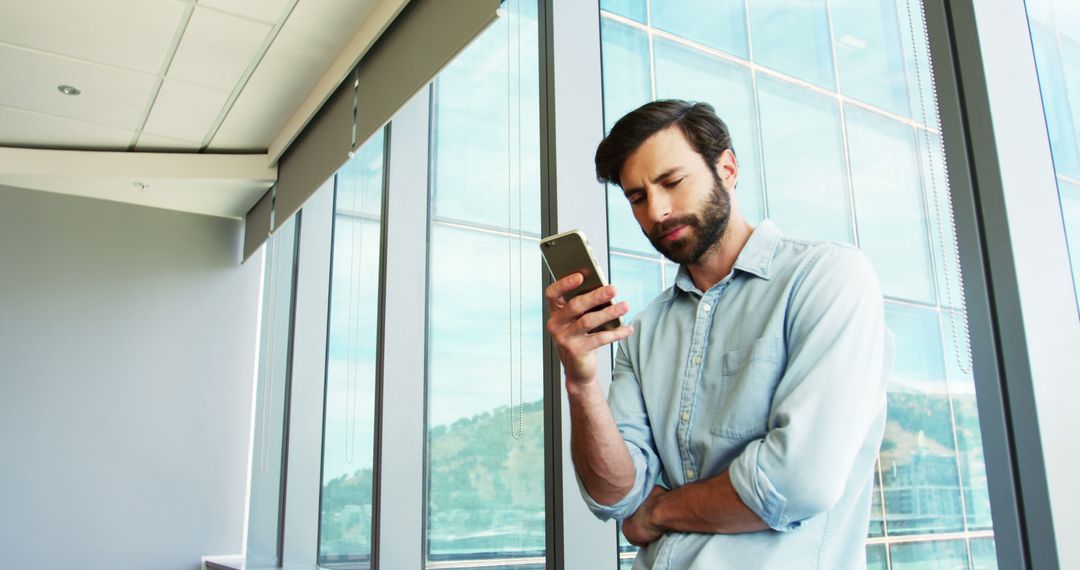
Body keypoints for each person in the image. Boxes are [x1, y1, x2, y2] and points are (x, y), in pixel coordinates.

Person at [544, 100, 894, 569]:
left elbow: (796, 482)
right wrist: (581, 383)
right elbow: (616, 497)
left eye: (671, 182)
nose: (658, 211)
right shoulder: (643, 330)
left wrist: (661, 510)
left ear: (727, 168)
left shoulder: (827, 278)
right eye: (637, 197)